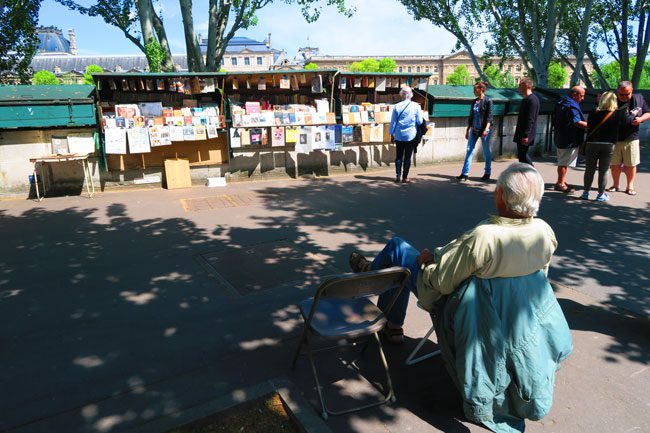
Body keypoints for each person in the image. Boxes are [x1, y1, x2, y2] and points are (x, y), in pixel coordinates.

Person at [348, 162, 556, 344]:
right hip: (509, 311)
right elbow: (539, 279)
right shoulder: (544, 232)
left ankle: (370, 277)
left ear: (501, 196)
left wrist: (426, 264)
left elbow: (440, 282)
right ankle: (392, 324)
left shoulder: (485, 237)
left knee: (397, 247)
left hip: (459, 307)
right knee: (403, 256)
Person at [581, 91, 632, 202]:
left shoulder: (593, 111)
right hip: (608, 145)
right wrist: (632, 114)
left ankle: (585, 192)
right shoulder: (619, 113)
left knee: (589, 169)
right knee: (603, 171)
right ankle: (600, 194)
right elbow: (626, 124)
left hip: (592, 143)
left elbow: (589, 126)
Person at [606, 81, 650, 195]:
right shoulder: (611, 99)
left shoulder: (638, 99)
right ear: (617, 92)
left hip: (631, 138)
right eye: (621, 94)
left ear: (632, 91)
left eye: (627, 94)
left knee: (630, 164)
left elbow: (648, 113)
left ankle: (630, 186)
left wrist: (640, 120)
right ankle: (615, 185)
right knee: (614, 164)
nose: (624, 97)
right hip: (613, 138)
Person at [456, 81, 494, 182]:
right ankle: (464, 173)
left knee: (486, 151)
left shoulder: (488, 101)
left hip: (484, 130)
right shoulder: (474, 101)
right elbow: (471, 116)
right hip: (474, 129)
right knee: (469, 150)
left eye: (475, 89)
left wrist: (486, 129)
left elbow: (489, 117)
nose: (473, 91)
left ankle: (487, 172)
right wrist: (468, 129)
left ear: (481, 89)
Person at [553, 86, 587, 193]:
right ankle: (560, 183)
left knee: (562, 161)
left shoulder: (563, 102)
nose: (583, 98)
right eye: (581, 96)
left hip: (561, 136)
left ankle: (561, 181)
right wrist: (592, 125)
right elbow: (577, 122)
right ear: (574, 95)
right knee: (563, 162)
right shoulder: (572, 106)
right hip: (568, 139)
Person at [390, 85, 425, 183]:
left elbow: (393, 122)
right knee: (407, 157)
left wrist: (391, 134)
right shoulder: (416, 106)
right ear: (410, 95)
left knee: (399, 156)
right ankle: (405, 177)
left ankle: (397, 176)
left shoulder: (397, 106)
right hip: (411, 135)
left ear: (402, 95)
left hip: (398, 135)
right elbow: (419, 121)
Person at [514, 79, 540, 166]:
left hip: (525, 134)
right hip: (521, 132)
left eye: (520, 85)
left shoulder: (532, 100)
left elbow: (530, 119)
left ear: (526, 86)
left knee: (523, 155)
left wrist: (526, 135)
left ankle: (533, 173)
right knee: (521, 156)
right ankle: (524, 175)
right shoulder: (525, 99)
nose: (518, 88)